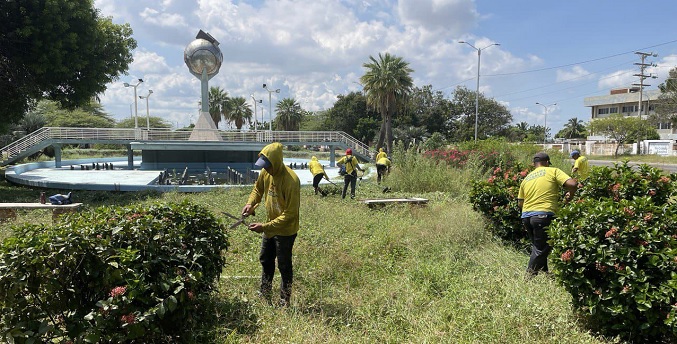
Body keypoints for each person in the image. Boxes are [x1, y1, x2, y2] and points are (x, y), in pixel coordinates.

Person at [241, 142, 300, 306]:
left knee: (284, 264)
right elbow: (257, 190)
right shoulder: (265, 173)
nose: (266, 169)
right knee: (266, 259)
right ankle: (265, 291)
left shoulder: (291, 181)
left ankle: (284, 299)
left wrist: (264, 227)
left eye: (268, 166)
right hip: (269, 226)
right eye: (263, 166)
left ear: (276, 162)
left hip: (285, 230)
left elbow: (290, 215)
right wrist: (250, 204)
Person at [518, 152, 578, 276]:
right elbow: (572, 184)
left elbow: (520, 203)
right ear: (546, 162)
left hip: (526, 216)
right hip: (543, 214)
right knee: (542, 249)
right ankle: (529, 277)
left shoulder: (527, 178)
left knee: (538, 246)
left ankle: (544, 273)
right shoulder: (552, 171)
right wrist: (570, 196)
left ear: (534, 164)